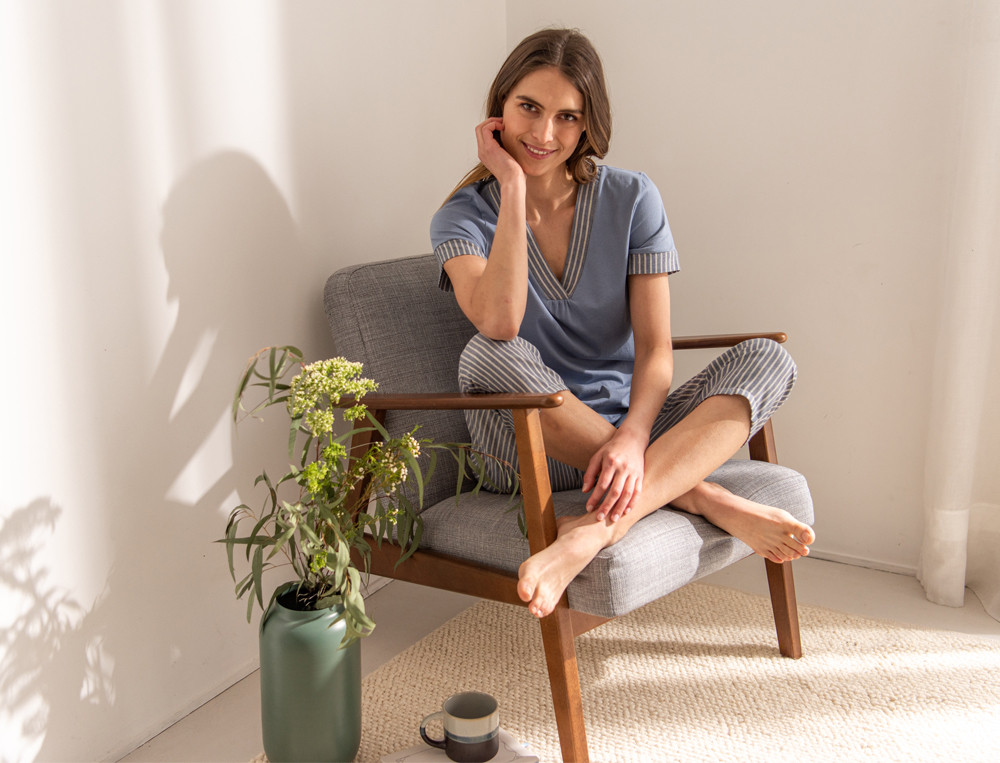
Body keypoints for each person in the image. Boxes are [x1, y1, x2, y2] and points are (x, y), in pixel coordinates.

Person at [430, 28, 815, 619]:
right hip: (529, 440)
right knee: (484, 353)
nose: (543, 134)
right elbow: (501, 323)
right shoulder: (459, 218)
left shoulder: (633, 198)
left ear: (587, 126)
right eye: (528, 107)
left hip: (633, 435)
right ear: (498, 109)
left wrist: (635, 438)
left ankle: (591, 532)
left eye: (567, 116)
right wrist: (510, 186)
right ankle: (702, 493)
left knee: (767, 357)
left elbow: (656, 350)